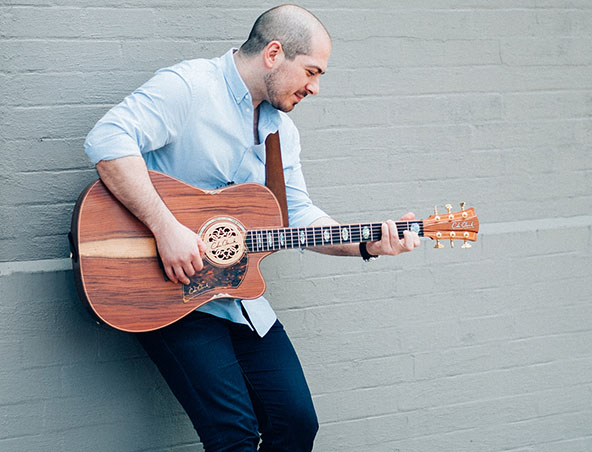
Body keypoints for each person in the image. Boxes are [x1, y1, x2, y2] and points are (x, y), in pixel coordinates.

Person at [84, 4, 420, 451]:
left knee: (297, 423)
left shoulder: (282, 132)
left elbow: (295, 216)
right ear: (274, 53)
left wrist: (367, 244)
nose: (315, 88)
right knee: (234, 438)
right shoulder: (190, 87)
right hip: (170, 293)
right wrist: (166, 228)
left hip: (238, 295)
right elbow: (107, 140)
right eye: (311, 72)